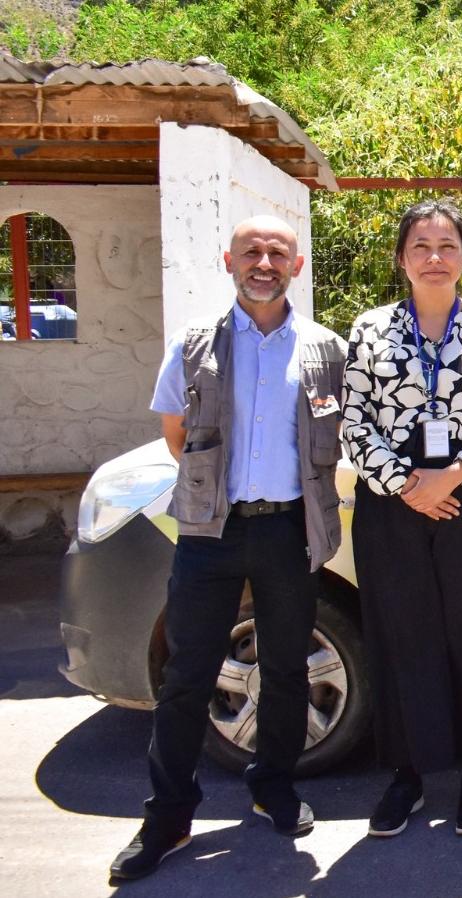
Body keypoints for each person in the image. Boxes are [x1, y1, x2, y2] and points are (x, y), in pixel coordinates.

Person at [110, 216, 346, 880]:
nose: (264, 262)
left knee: (286, 668)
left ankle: (273, 783)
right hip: (211, 533)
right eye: (252, 252)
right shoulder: (192, 347)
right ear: (230, 261)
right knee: (186, 677)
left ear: (297, 266)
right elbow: (178, 435)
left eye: (277, 252)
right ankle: (169, 816)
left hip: (290, 529)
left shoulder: (326, 349)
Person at [342, 199, 462, 838]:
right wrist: (405, 485)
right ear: (402, 259)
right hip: (392, 506)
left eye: (448, 246)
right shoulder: (368, 331)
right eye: (421, 246)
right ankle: (408, 773)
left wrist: (452, 475)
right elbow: (354, 419)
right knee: (401, 633)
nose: (435, 258)